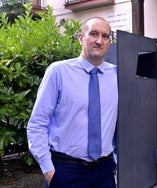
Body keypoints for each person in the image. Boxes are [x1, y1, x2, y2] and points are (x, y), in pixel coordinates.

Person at [27, 17, 118, 188]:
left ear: (109, 42)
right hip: (66, 171)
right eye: (93, 34)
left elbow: (123, 123)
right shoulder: (58, 72)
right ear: (80, 38)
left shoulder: (117, 75)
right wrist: (48, 169)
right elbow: (37, 123)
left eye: (105, 36)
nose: (99, 40)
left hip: (105, 171)